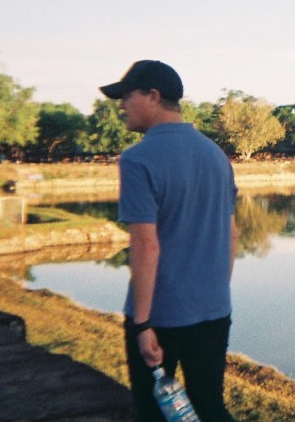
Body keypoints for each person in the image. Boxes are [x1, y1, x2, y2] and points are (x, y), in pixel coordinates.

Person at [100, 60, 239, 422]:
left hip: (160, 314)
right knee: (209, 404)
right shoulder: (216, 155)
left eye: (127, 95)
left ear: (153, 96)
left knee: (152, 409)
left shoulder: (138, 159)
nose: (121, 105)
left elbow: (146, 246)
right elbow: (231, 233)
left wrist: (143, 325)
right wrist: (215, 290)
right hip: (213, 308)